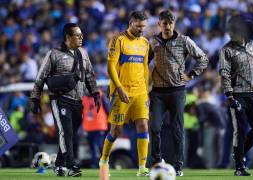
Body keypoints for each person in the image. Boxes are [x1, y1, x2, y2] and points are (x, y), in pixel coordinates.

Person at [30, 23, 100, 177]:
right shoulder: (53, 54)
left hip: (78, 102)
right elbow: (40, 77)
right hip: (59, 99)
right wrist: (35, 98)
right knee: (65, 132)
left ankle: (59, 163)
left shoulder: (83, 53)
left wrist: (95, 93)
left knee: (71, 134)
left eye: (81, 35)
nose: (81, 37)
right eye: (77, 35)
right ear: (68, 37)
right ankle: (71, 166)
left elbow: (89, 75)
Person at [148, 10, 208, 176]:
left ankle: (178, 166)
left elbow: (203, 58)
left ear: (174, 24)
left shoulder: (184, 41)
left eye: (170, 23)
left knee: (177, 129)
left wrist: (191, 75)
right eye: (164, 23)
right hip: (158, 92)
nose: (167, 26)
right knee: (154, 127)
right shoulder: (153, 42)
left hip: (177, 91)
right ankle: (156, 161)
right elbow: (144, 61)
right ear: (159, 24)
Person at [99, 11, 150, 177]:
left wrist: (147, 90)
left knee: (143, 125)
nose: (142, 29)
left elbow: (145, 68)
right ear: (131, 23)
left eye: (144, 26)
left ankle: (142, 167)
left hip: (140, 91)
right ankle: (104, 159)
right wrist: (119, 88)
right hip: (121, 91)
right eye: (139, 26)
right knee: (116, 130)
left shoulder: (145, 43)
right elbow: (111, 67)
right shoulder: (118, 39)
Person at [219, 15, 253, 176]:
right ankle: (240, 167)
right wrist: (229, 96)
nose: (231, 34)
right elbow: (224, 73)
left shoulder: (252, 45)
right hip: (237, 94)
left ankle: (240, 152)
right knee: (239, 130)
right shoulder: (226, 49)